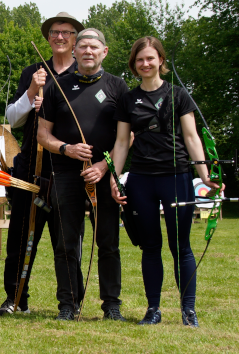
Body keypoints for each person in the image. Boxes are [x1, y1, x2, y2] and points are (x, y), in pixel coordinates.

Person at [110, 36, 222, 327]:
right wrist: (115, 178)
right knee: (150, 246)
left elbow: (192, 137)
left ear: (161, 60)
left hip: (177, 178)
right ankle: (153, 310)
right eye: (139, 60)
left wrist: (206, 176)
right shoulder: (128, 99)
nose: (145, 64)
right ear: (134, 65)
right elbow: (122, 143)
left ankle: (189, 311)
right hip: (141, 182)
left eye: (150, 58)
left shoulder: (179, 95)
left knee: (180, 246)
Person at [0, 12, 86, 316]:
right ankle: (15, 300)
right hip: (30, 167)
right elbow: (13, 119)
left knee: (67, 241)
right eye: (55, 32)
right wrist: (32, 89)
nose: (60, 37)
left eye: (67, 33)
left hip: (67, 171)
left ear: (75, 39)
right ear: (48, 38)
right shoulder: (33, 71)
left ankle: (70, 303)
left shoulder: (82, 74)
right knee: (19, 237)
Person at [37, 29, 129, 321]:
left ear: (105, 51)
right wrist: (66, 149)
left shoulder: (118, 86)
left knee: (108, 241)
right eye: (83, 47)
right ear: (74, 51)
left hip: (104, 175)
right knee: (66, 242)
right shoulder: (56, 87)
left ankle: (111, 305)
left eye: (95, 47)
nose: (88, 51)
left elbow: (128, 137)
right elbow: (42, 134)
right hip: (65, 174)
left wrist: (104, 166)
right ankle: (68, 303)